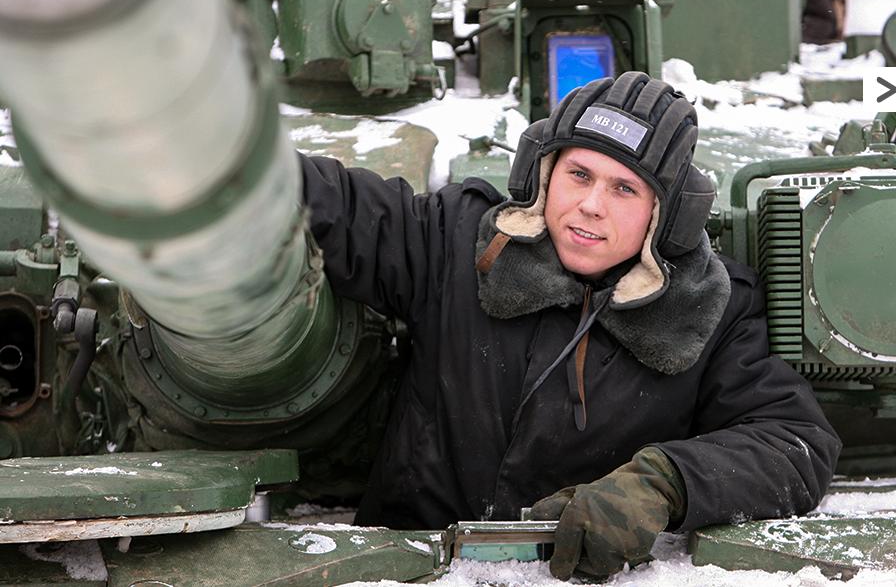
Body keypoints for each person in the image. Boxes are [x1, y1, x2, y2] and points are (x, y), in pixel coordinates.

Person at [303, 71, 841, 580]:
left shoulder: (708, 309)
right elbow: (334, 204)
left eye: (624, 189)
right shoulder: (458, 239)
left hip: (581, 577)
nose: (590, 206)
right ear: (542, 174)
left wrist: (664, 482)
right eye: (578, 175)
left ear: (668, 215)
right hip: (408, 568)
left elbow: (796, 445)